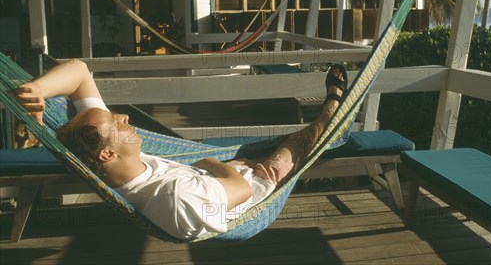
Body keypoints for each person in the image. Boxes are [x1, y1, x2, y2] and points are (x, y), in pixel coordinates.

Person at [16, 59, 347, 239]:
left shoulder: (108, 158)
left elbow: (78, 71)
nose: (124, 116)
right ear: (107, 153)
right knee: (302, 142)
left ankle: (333, 124)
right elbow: (243, 190)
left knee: (300, 140)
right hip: (258, 186)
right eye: (116, 123)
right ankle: (333, 110)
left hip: (216, 174)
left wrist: (37, 89)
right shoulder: (175, 197)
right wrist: (213, 163)